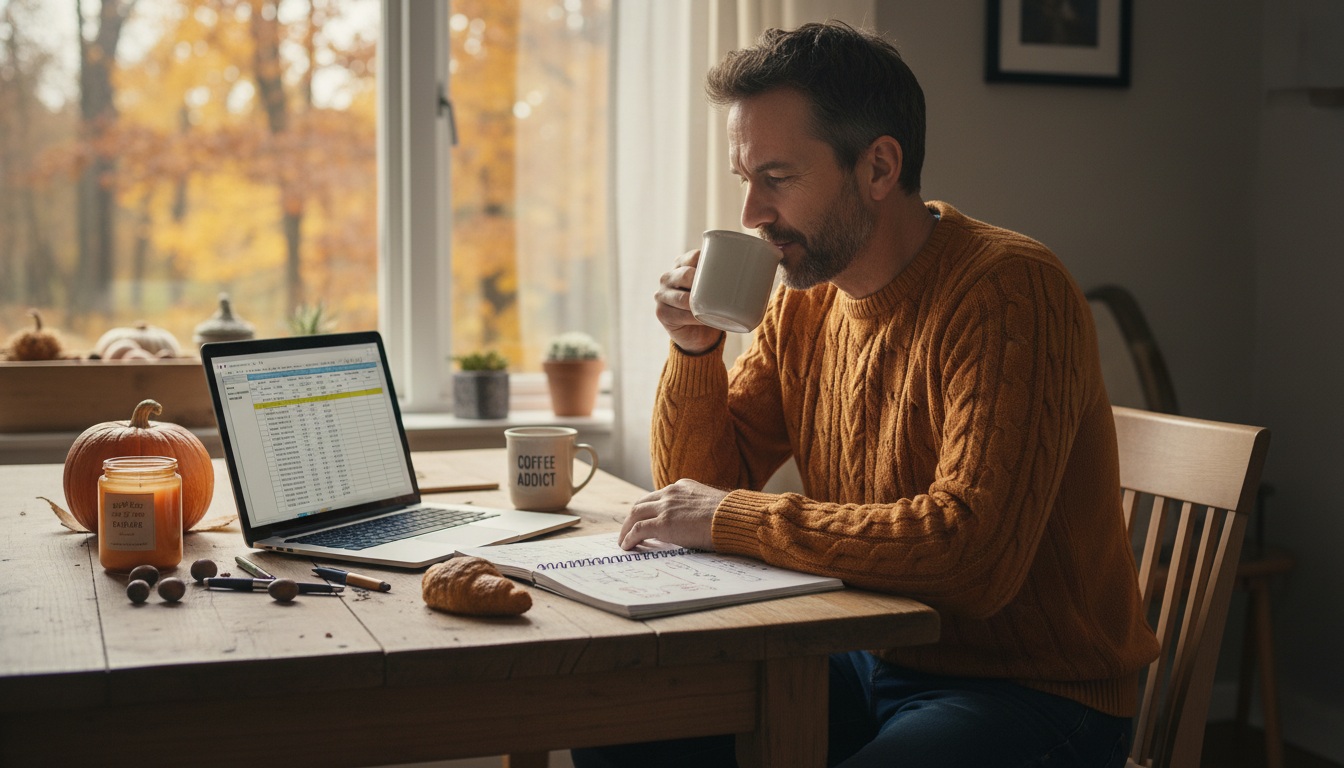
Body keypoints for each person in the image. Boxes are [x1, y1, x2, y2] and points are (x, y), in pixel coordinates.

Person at [572, 21, 1159, 768]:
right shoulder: (804, 300)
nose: (751, 214)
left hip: (1034, 693)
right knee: (622, 725)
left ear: (879, 167)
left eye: (776, 178)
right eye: (743, 180)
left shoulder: (1010, 290)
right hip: (870, 651)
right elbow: (701, 492)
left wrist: (730, 517)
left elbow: (971, 557)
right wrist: (696, 349)